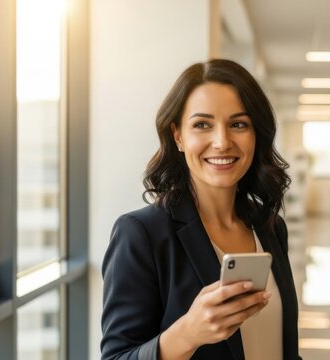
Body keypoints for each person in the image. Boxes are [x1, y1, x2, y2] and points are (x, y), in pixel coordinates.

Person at [101, 59, 301, 360]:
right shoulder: (141, 234)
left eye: (238, 124)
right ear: (178, 136)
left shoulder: (270, 227)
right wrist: (188, 333)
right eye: (202, 125)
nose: (222, 142)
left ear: (256, 134)